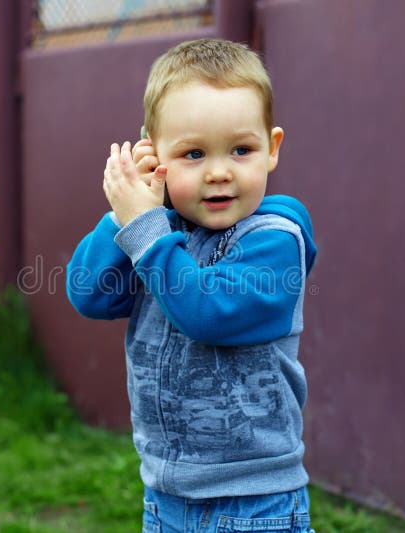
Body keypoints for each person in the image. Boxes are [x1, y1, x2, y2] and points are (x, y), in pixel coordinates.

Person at [67, 38, 318, 533]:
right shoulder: (158, 231)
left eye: (241, 150)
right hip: (166, 495)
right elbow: (88, 293)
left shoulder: (275, 240)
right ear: (154, 154)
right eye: (194, 153)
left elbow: (207, 312)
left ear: (272, 148)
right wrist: (125, 213)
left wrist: (144, 229)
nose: (219, 172)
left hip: (254, 499)